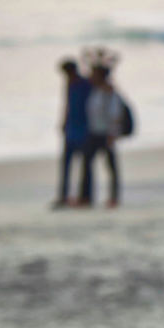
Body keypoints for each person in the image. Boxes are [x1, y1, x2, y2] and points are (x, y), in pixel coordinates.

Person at [80, 49, 124, 208]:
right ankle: (86, 197)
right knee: (87, 166)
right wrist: (91, 57)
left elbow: (115, 114)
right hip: (94, 132)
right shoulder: (96, 91)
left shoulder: (109, 93)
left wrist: (113, 133)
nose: (91, 77)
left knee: (111, 167)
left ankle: (114, 198)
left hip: (106, 134)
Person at [53, 58, 90, 209]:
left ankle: (84, 197)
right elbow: (67, 105)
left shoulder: (85, 85)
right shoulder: (69, 85)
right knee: (66, 165)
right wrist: (63, 122)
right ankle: (64, 196)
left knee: (84, 165)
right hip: (71, 129)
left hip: (84, 129)